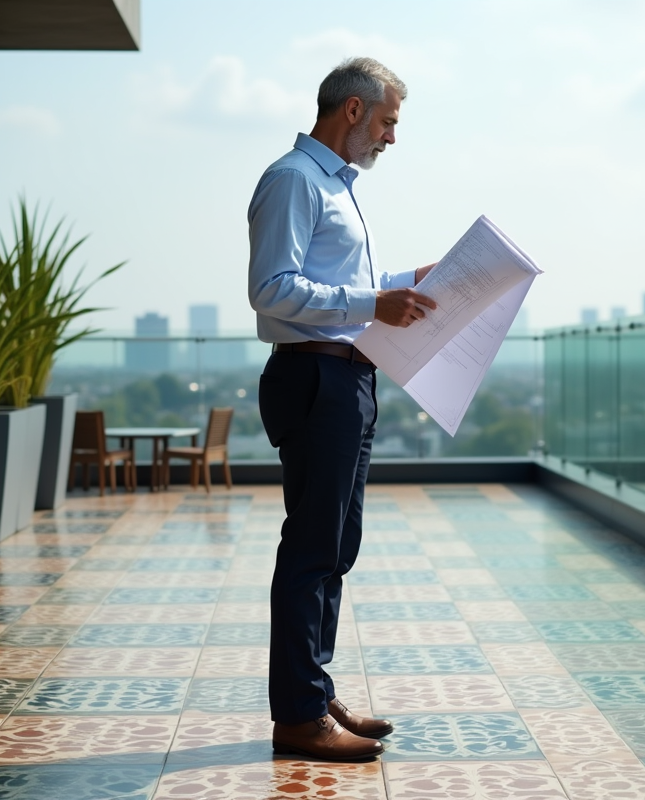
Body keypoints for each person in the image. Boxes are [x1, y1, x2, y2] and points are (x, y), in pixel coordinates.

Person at [247, 57, 436, 762]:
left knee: (336, 548)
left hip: (348, 379)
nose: (391, 137)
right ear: (353, 110)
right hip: (315, 378)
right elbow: (272, 288)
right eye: (387, 121)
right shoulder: (294, 180)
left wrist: (404, 283)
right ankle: (298, 716)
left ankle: (314, 691)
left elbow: (339, 284)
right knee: (311, 549)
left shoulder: (335, 186)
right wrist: (372, 302)